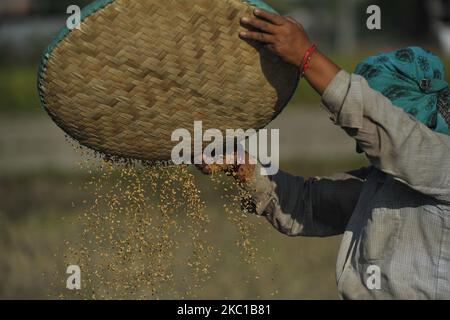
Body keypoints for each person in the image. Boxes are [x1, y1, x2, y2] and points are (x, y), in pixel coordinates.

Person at [199, 9, 450, 299]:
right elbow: (307, 205)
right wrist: (241, 164)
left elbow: (385, 131)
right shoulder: (384, 184)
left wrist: (306, 56)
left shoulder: (441, 163)